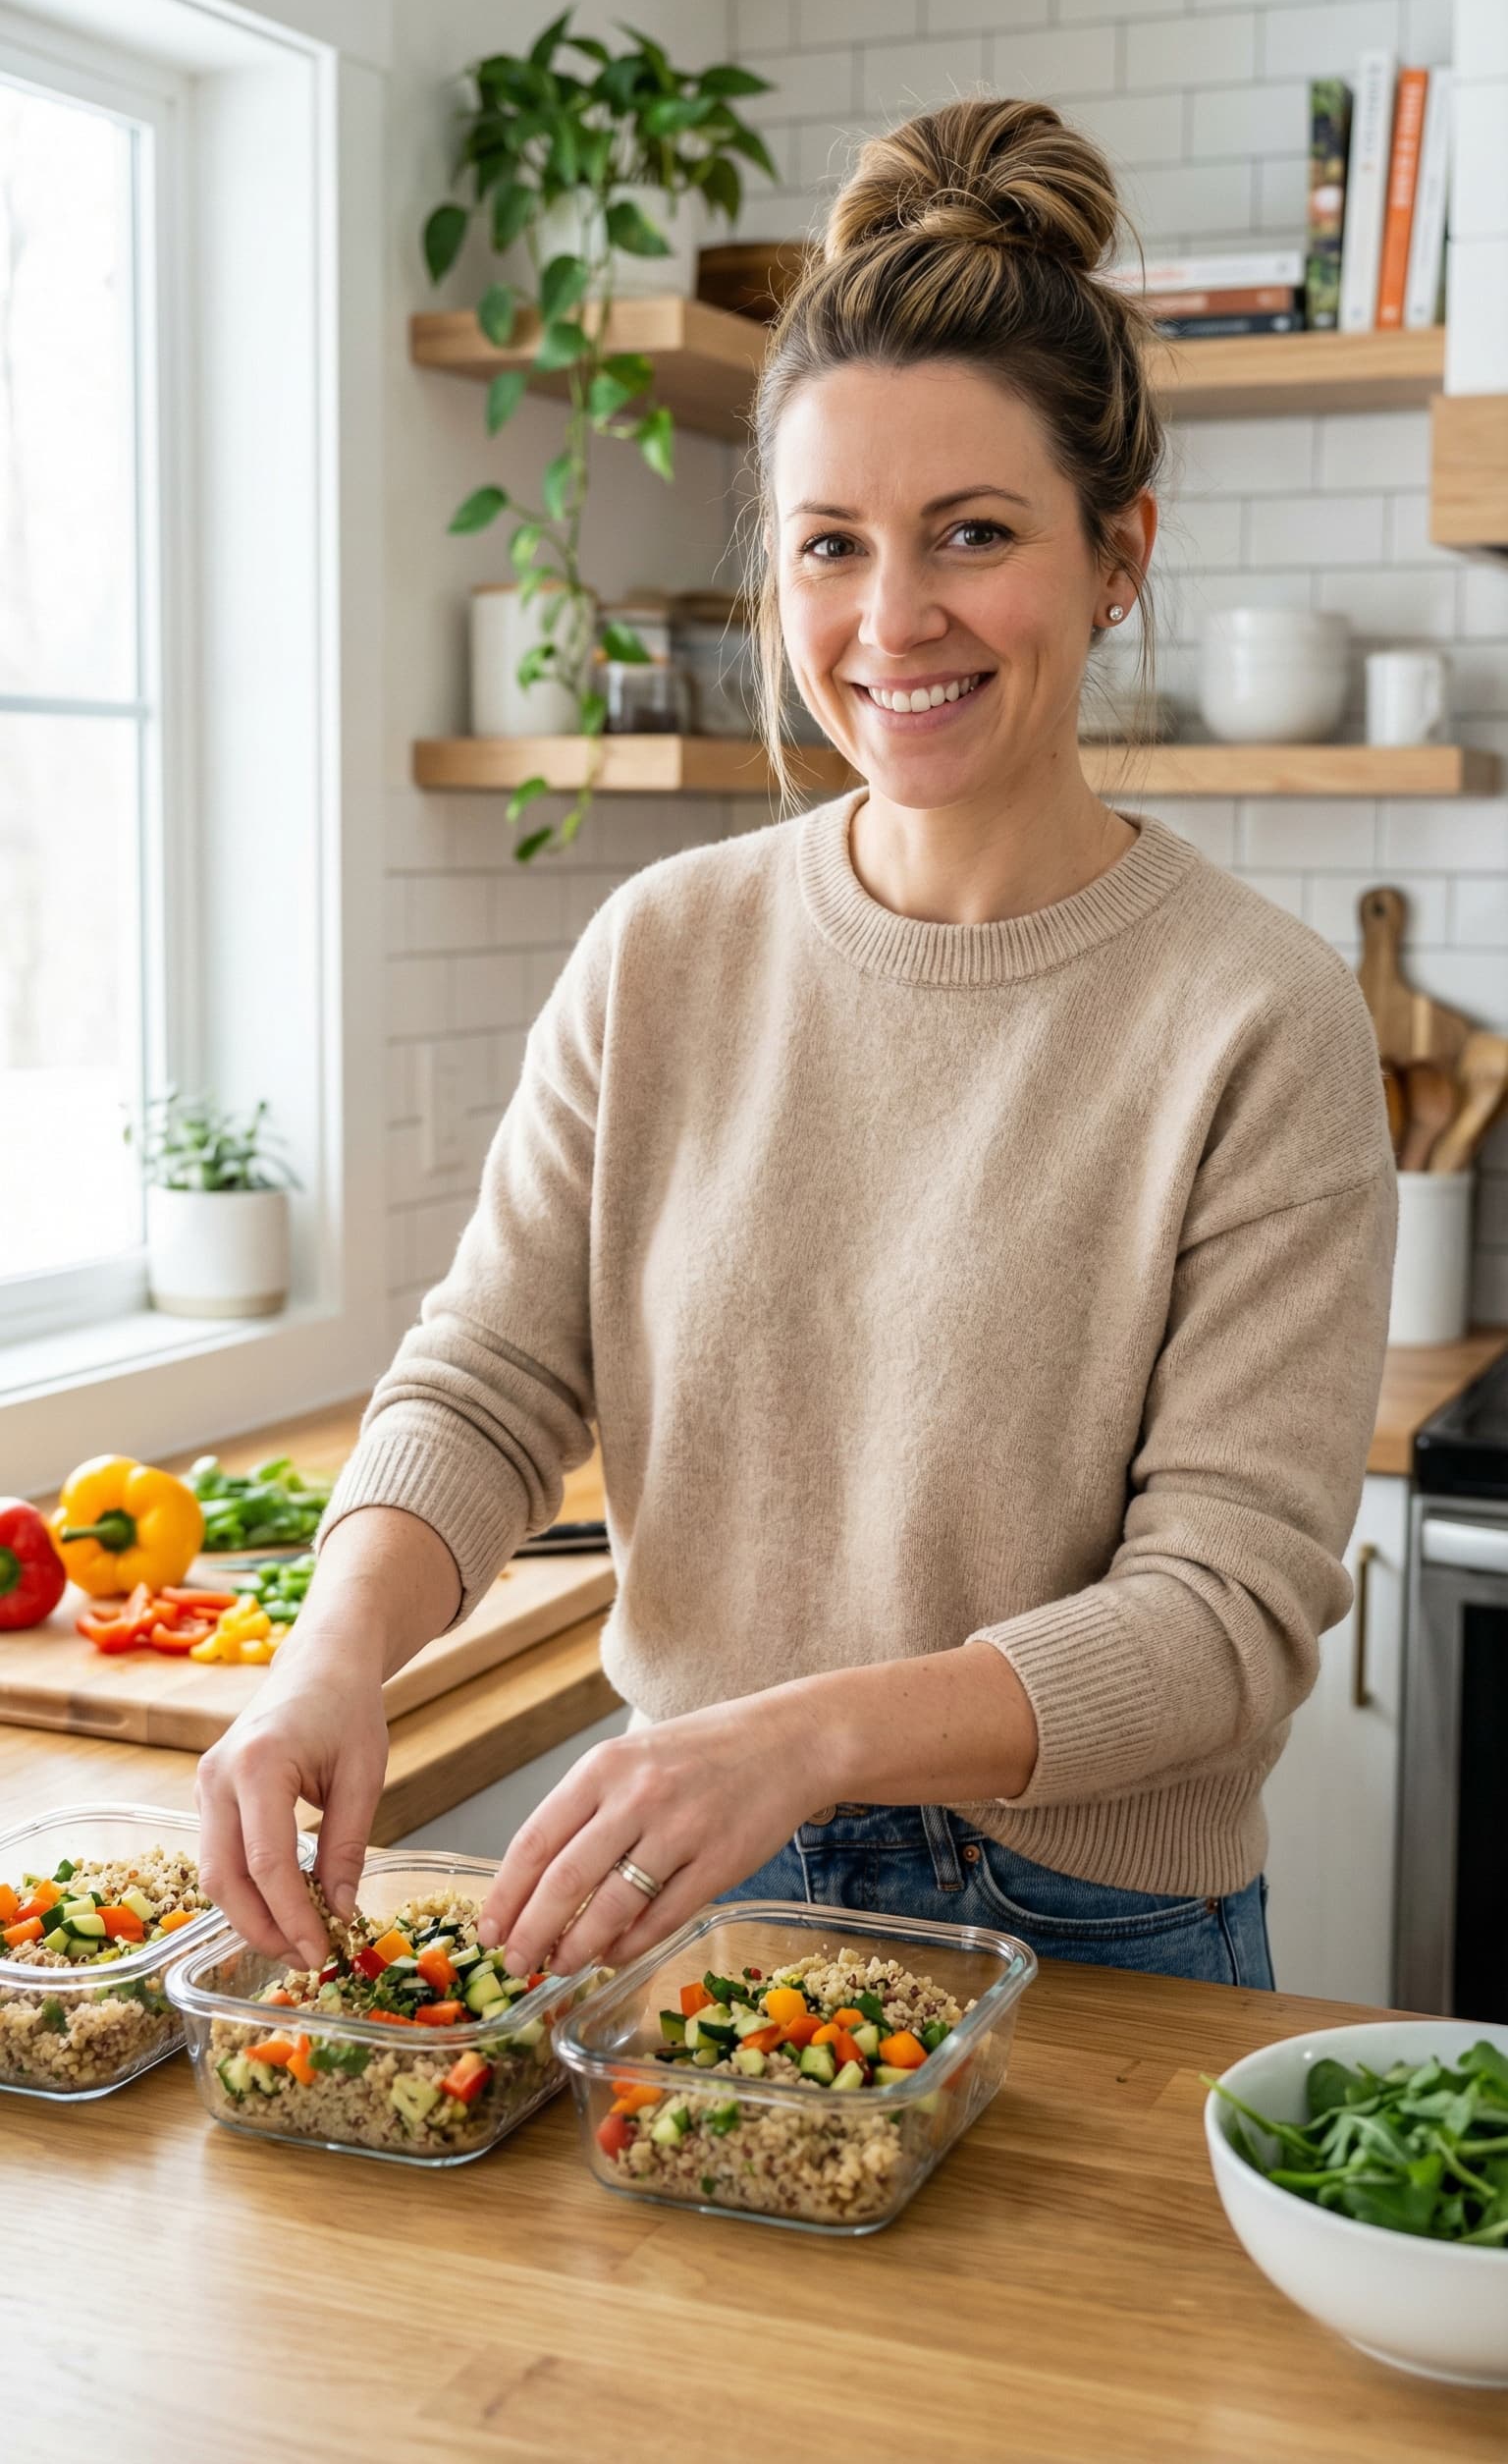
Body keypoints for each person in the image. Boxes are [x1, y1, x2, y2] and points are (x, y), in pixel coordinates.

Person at [196, 96, 1397, 1993]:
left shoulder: (1255, 1018)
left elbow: (1223, 1609)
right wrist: (329, 1659)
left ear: (1117, 553)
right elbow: (496, 1375)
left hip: (1094, 1932)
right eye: (831, 545)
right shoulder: (663, 950)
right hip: (684, 1884)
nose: (892, 619)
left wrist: (809, 1736)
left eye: (974, 533)